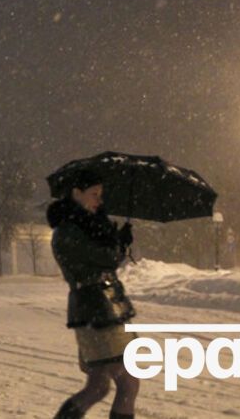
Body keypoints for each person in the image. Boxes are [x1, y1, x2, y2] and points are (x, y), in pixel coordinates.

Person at [47, 169, 139, 419]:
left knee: (100, 386)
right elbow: (105, 258)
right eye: (94, 194)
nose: (99, 200)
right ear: (77, 193)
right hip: (96, 310)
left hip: (105, 307)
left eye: (101, 195)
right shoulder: (68, 231)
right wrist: (118, 244)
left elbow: (105, 258)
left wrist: (116, 239)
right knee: (126, 383)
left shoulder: (88, 226)